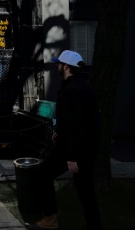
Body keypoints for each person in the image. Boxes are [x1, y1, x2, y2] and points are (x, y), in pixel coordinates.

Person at [28, 50, 102, 229]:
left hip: (74, 150)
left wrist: (72, 156)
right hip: (84, 147)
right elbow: (81, 121)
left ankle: (50, 218)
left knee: (43, 173)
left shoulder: (70, 91)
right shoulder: (85, 87)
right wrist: (59, 133)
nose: (57, 67)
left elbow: (75, 125)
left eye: (59, 64)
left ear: (66, 67)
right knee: (86, 192)